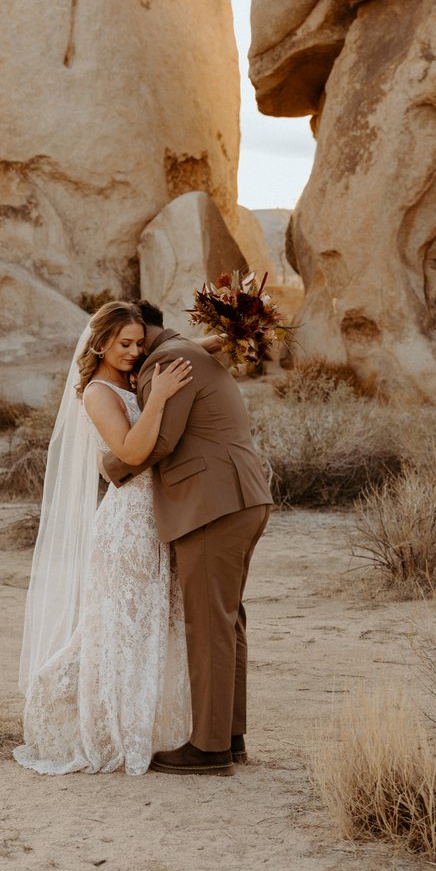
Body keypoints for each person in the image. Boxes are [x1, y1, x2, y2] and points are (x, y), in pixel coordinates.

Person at [14, 300, 194, 775]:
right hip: (127, 526)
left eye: (140, 343)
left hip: (157, 519)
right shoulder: (98, 393)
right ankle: (96, 724)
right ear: (101, 343)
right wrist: (159, 398)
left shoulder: (131, 379)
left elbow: (183, 351)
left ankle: (146, 727)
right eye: (125, 344)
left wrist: (232, 332)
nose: (136, 351)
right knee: (117, 631)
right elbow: (132, 450)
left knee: (149, 627)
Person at [100, 300, 273, 776]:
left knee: (208, 623)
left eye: (135, 341)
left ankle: (209, 747)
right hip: (242, 497)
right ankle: (229, 735)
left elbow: (159, 442)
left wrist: (108, 466)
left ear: (146, 331)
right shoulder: (185, 351)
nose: (133, 354)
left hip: (211, 505)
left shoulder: (166, 361)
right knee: (227, 618)